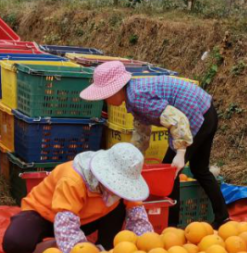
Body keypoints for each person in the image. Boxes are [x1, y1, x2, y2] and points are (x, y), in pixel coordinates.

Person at [80, 61, 229, 228]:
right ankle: (223, 218)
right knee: (199, 169)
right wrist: (133, 158)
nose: (104, 100)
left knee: (169, 172)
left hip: (195, 117)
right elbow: (142, 131)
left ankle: (170, 226)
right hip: (205, 112)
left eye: (105, 95)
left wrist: (180, 152)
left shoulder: (137, 97)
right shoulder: (133, 95)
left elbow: (177, 119)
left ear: (116, 89)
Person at [2, 143, 153, 253]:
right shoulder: (73, 180)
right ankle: (52, 246)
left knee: (121, 208)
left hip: (84, 220)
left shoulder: (125, 188)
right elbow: (66, 223)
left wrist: (146, 250)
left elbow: (138, 218)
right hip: (45, 215)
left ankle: (106, 249)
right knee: (15, 243)